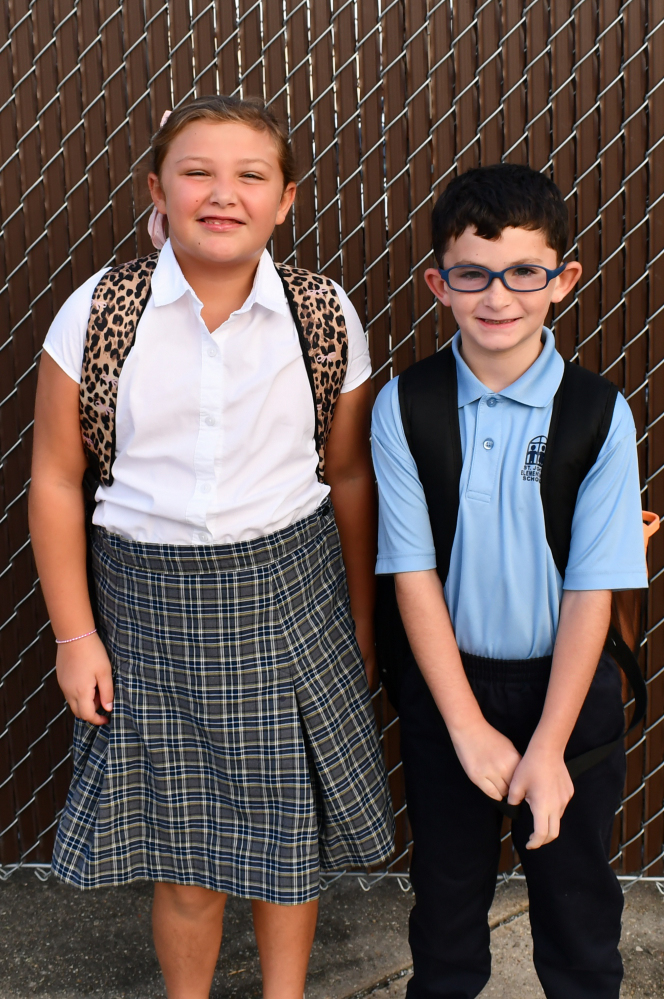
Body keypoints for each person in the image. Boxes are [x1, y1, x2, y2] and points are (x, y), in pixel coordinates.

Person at [29, 95, 394, 999]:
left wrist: (359, 619)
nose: (222, 194)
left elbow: (349, 475)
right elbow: (57, 479)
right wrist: (75, 636)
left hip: (290, 599)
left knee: (287, 844)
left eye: (250, 176)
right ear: (158, 191)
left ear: (285, 200)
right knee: (185, 860)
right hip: (146, 610)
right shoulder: (98, 310)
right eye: (196, 172)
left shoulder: (321, 313)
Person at [371, 163, 647, 999]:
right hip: (450, 689)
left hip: (567, 688)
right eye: (472, 274)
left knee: (577, 908)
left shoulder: (597, 413)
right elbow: (412, 576)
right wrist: (465, 728)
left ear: (562, 279)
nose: (497, 296)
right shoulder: (405, 406)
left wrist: (550, 747)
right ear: (438, 283)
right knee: (446, 909)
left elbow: (591, 590)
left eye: (524, 271)